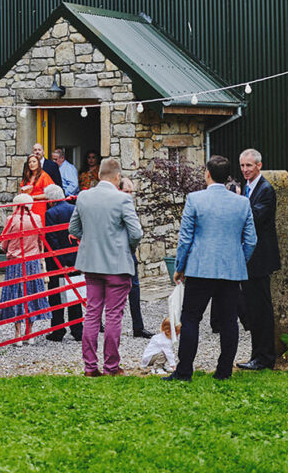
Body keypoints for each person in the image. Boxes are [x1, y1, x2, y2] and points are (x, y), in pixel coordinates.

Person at [167, 155, 256, 382]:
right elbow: (251, 240)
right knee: (229, 321)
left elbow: (185, 238)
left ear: (207, 173)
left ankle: (184, 370)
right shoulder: (242, 202)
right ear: (227, 176)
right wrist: (239, 260)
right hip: (230, 269)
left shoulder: (195, 199)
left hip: (200, 268)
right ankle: (224, 371)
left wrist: (180, 266)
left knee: (190, 319)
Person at [69, 157, 143, 376]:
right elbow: (136, 233)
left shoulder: (84, 196)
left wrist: (91, 239)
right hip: (117, 264)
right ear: (118, 177)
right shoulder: (122, 200)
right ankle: (111, 366)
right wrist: (125, 247)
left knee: (92, 314)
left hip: (92, 264)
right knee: (113, 316)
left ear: (99, 175)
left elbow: (74, 228)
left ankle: (90, 367)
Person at [237, 148, 279, 371]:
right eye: (242, 166)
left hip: (261, 258)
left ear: (259, 166)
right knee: (252, 308)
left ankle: (264, 357)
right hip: (251, 258)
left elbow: (254, 217)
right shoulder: (247, 187)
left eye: (249, 166)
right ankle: (257, 354)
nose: (245, 170)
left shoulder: (266, 189)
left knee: (261, 308)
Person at [0, 195, 51, 344]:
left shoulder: (11, 220)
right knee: (31, 293)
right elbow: (41, 241)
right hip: (32, 261)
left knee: (16, 294)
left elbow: (3, 244)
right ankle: (30, 333)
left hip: (15, 262)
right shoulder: (37, 219)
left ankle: (17, 334)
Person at [43, 183, 83, 342]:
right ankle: (78, 330)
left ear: (50, 199)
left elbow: (52, 239)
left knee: (56, 296)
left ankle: (58, 330)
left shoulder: (50, 213)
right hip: (75, 257)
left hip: (57, 261)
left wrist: (60, 262)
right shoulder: (74, 208)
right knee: (75, 293)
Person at [120, 176, 153, 339]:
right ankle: (100, 324)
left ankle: (138, 327)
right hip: (118, 253)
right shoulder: (117, 205)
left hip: (130, 252)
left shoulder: (129, 206)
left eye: (131, 191)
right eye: (126, 191)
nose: (129, 195)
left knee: (134, 289)